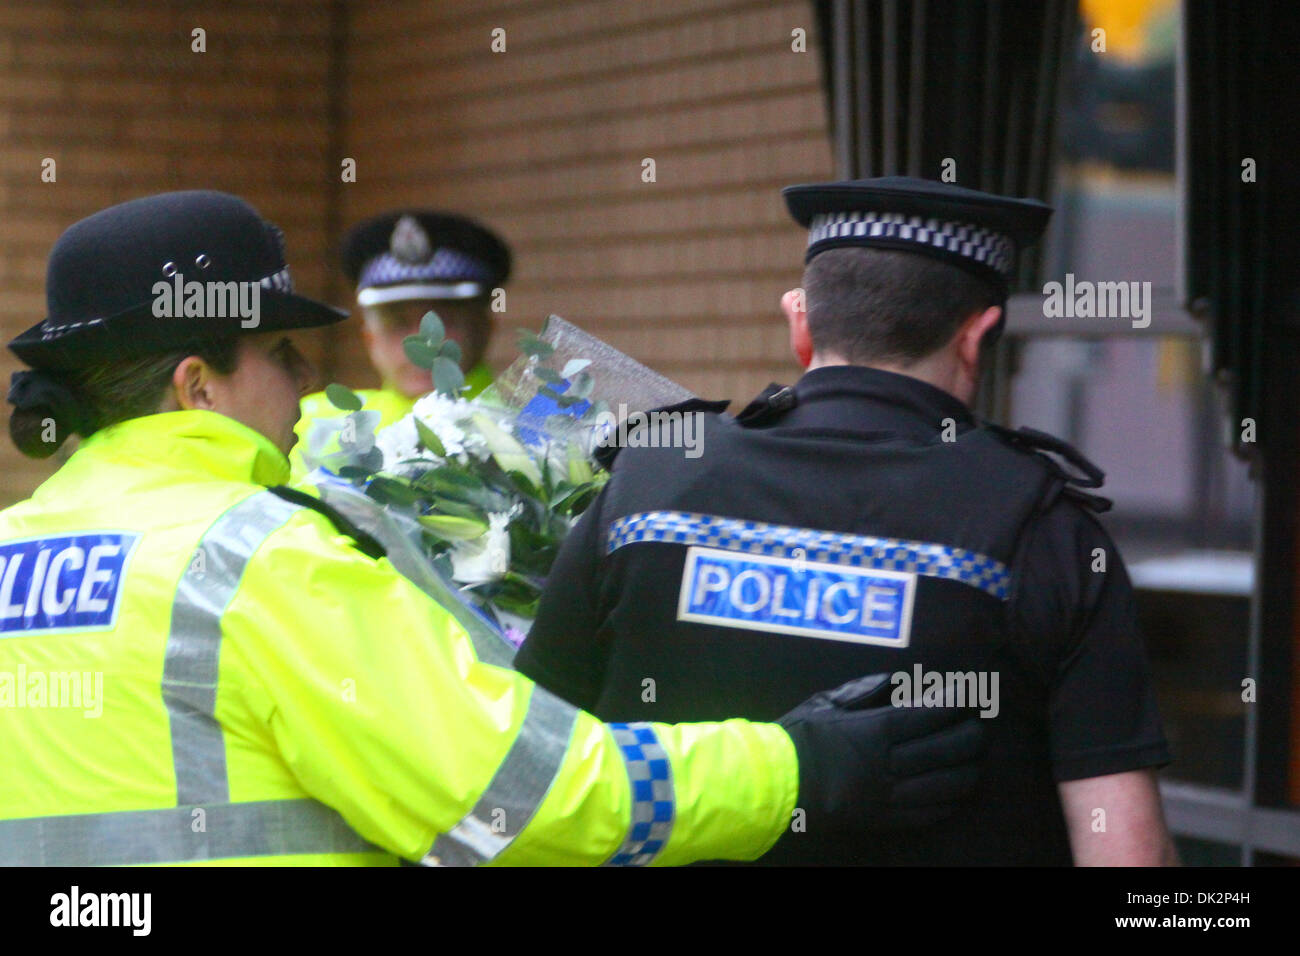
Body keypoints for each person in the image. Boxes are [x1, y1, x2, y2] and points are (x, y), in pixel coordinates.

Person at [0, 190, 985, 866]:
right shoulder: (257, 561)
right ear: (196, 381)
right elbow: (518, 795)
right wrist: (799, 764)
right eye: (280, 352)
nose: (305, 377)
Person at [516, 176, 1178, 866]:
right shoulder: (1045, 530)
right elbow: (1128, 858)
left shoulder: (644, 484)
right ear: (978, 335)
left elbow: (531, 765)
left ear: (800, 322)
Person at [291, 210, 505, 476]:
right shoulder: (312, 422)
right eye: (399, 324)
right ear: (369, 337)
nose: (422, 345)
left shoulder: (537, 428)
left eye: (443, 321)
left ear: (485, 328)